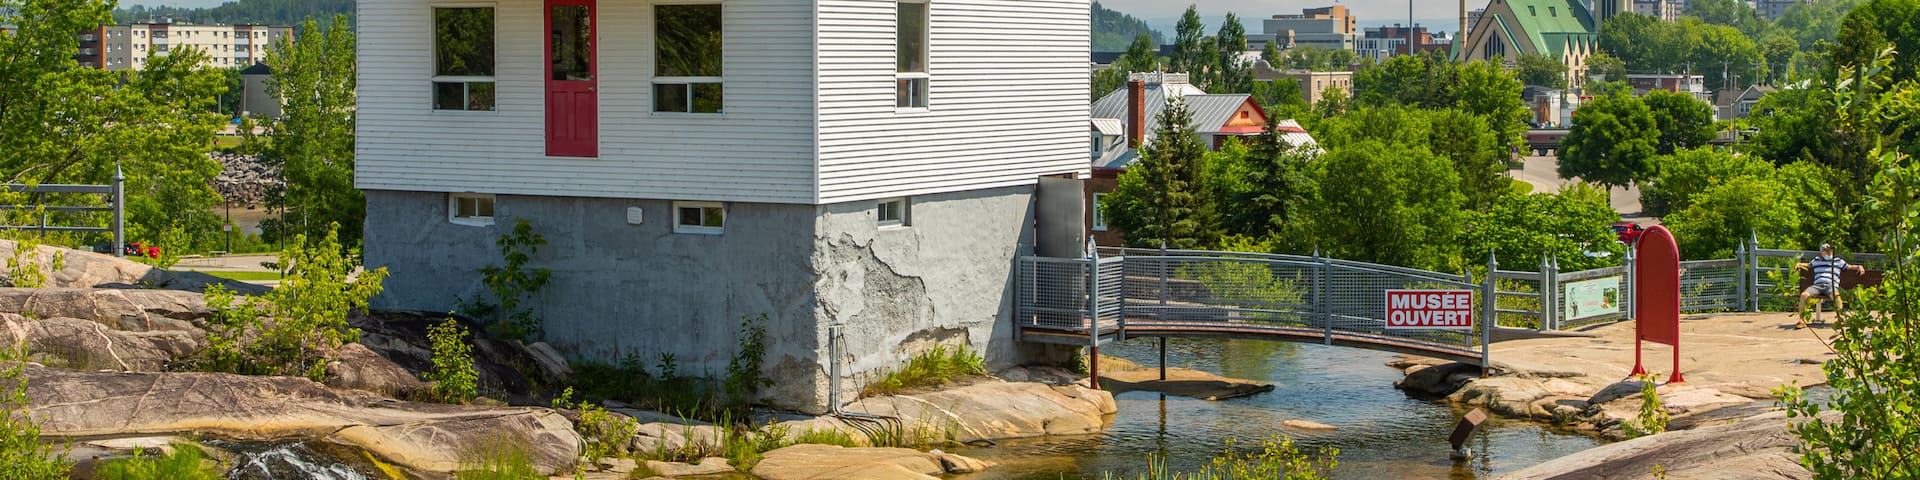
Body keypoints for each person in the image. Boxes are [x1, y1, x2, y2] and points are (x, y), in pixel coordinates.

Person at [1796, 243, 1866, 328]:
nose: (1828, 253)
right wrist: (1799, 264)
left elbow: (1849, 267)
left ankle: (1840, 320)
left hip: (1831, 286)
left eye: (1830, 251)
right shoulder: (1816, 260)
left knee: (1837, 298)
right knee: (1804, 295)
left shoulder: (1838, 261)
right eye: (1826, 251)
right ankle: (1802, 320)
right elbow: (1808, 265)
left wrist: (1859, 266)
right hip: (1817, 285)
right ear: (1821, 252)